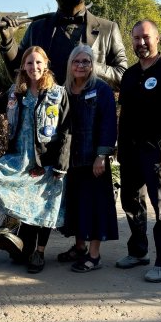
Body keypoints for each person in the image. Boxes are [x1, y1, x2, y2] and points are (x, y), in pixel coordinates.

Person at [0, 46, 71, 273]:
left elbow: (66, 130)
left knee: (45, 207)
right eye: (29, 63)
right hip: (19, 156)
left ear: (46, 64)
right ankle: (12, 224)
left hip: (46, 160)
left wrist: (61, 165)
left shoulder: (57, 93)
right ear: (23, 67)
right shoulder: (16, 92)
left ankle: (39, 252)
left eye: (38, 63)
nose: (34, 67)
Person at [0, 0, 127, 89]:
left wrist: (89, 66)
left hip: (89, 109)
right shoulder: (36, 29)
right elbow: (19, 75)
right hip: (48, 109)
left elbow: (123, 76)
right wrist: (8, 42)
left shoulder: (108, 29)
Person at [116, 20, 161, 283]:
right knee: (131, 201)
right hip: (130, 149)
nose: (140, 43)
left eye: (145, 37)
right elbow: (124, 114)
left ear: (157, 38)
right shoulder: (129, 74)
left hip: (158, 149)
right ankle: (138, 252)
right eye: (136, 38)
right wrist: (119, 147)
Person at [57, 44, 118, 272]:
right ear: (70, 65)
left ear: (92, 65)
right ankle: (79, 247)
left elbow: (108, 125)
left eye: (86, 61)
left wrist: (102, 156)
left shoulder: (101, 90)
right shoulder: (63, 90)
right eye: (76, 61)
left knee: (95, 207)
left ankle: (94, 255)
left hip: (93, 161)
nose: (81, 65)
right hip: (70, 161)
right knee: (77, 206)